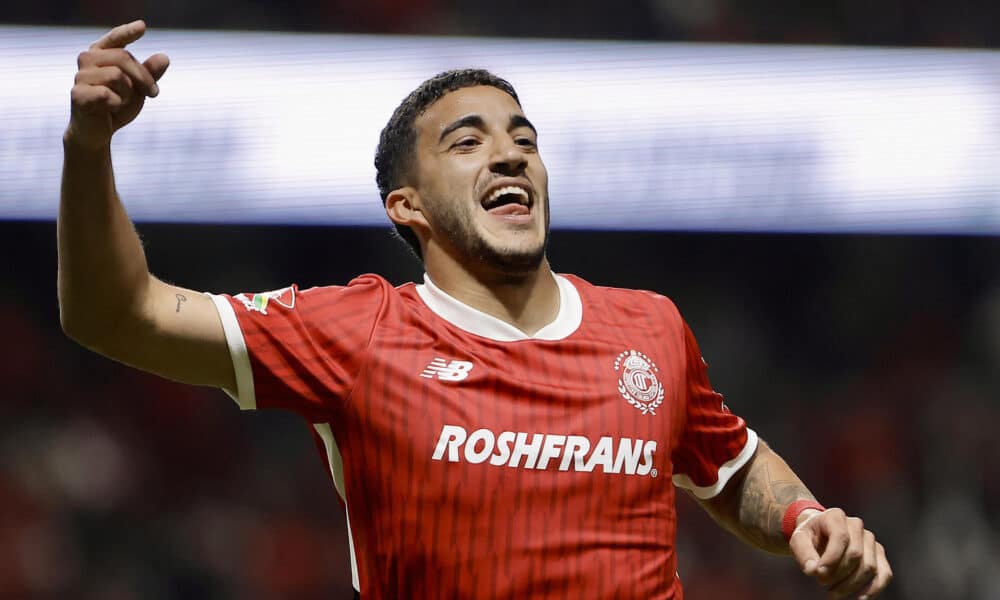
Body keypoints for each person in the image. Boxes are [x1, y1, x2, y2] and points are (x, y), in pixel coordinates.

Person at [59, 20, 893, 599]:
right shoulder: (357, 333)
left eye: (523, 138)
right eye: (468, 141)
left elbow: (728, 463)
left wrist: (802, 518)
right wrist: (89, 148)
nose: (509, 153)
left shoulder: (651, 329)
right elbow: (116, 313)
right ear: (407, 207)